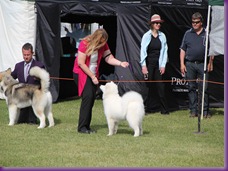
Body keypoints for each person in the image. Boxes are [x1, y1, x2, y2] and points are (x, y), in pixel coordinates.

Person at [73, 28, 129, 134]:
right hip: (82, 73)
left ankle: (86, 126)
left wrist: (120, 63)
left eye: (104, 42)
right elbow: (81, 63)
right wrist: (92, 77)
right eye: (101, 42)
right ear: (96, 39)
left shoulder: (103, 45)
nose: (103, 44)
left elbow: (109, 58)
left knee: (91, 99)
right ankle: (82, 127)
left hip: (93, 74)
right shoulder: (84, 43)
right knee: (88, 97)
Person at [180, 12, 214, 118]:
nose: (194, 24)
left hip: (203, 64)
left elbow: (212, 50)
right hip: (190, 64)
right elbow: (182, 49)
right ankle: (193, 110)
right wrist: (182, 64)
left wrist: (210, 62)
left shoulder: (207, 34)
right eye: (193, 22)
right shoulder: (187, 33)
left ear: (201, 22)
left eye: (197, 22)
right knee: (191, 87)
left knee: (205, 88)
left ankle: (205, 111)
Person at [140, 14, 169, 115]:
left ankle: (164, 110)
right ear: (152, 24)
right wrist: (144, 66)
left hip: (159, 64)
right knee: (147, 86)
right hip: (149, 64)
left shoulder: (163, 36)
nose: (158, 24)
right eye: (156, 23)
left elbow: (165, 51)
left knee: (161, 86)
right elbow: (143, 51)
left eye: (159, 23)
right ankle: (144, 109)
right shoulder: (146, 36)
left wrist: (163, 65)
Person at [11, 43, 45, 124]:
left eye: (28, 55)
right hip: (22, 99)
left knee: (32, 122)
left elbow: (44, 80)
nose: (26, 57)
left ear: (32, 53)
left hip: (34, 98)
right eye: (24, 55)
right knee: (21, 121)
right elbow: (12, 77)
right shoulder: (18, 66)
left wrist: (39, 77)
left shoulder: (39, 66)